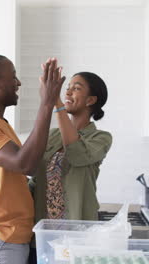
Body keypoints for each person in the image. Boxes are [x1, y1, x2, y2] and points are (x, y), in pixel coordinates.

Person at [0, 55, 65, 264]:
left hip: (9, 235)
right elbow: (25, 164)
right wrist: (46, 103)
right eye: (13, 77)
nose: (18, 83)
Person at [30, 71, 113, 223]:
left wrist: (56, 101)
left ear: (90, 100)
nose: (67, 92)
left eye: (76, 88)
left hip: (77, 230)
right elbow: (36, 178)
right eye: (67, 87)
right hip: (43, 229)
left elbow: (76, 153)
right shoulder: (53, 135)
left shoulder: (101, 138)